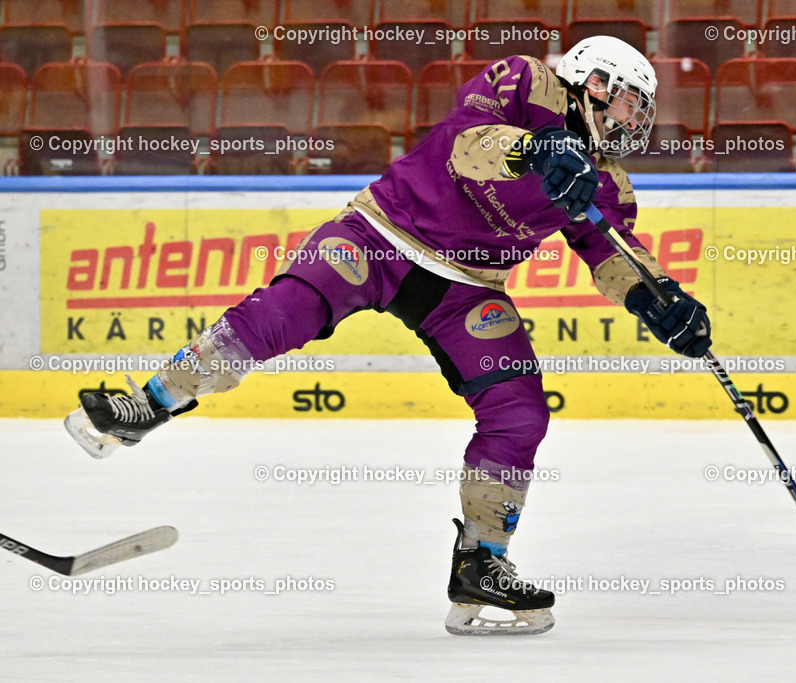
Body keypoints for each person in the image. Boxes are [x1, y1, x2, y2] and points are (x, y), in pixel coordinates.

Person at [64, 36, 712, 635]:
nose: (635, 120)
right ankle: (148, 403)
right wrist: (535, 149)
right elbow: (468, 147)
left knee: (520, 411)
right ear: (592, 82)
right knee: (282, 313)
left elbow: (611, 255)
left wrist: (662, 302)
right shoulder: (527, 81)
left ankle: (481, 561)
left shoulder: (604, 180)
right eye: (629, 101)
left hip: (467, 287)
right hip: (382, 235)